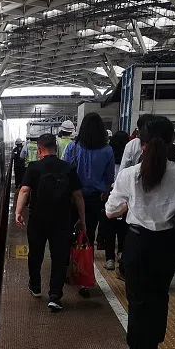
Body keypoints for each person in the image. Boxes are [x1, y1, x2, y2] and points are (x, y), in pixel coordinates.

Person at [105, 116, 175, 349]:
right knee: (159, 297)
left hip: (137, 244)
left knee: (138, 303)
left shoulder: (130, 174)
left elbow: (110, 211)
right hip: (169, 245)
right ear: (172, 140)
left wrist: (127, 209)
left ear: (141, 144)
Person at [15, 133, 86, 312]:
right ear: (56, 148)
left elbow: (24, 190)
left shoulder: (34, 167)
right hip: (62, 220)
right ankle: (55, 296)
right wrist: (83, 220)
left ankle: (36, 286)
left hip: (38, 219)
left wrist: (18, 212)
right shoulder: (68, 168)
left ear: (39, 149)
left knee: (35, 254)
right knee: (59, 258)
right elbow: (78, 196)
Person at [63, 112, 115, 298]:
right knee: (88, 238)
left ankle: (67, 272)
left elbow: (64, 172)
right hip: (94, 200)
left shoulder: (73, 147)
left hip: (72, 199)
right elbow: (110, 179)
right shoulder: (108, 151)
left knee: (68, 235)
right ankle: (84, 280)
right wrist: (105, 194)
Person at [103, 130, 130, 271]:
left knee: (109, 228)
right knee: (124, 227)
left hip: (111, 195)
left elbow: (107, 177)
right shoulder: (130, 161)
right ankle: (121, 252)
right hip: (127, 197)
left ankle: (109, 259)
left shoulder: (108, 156)